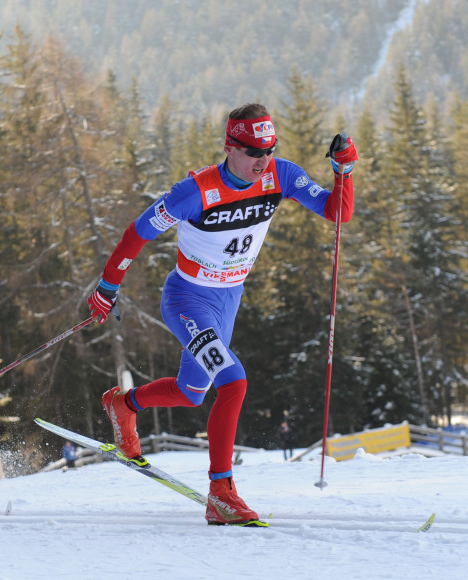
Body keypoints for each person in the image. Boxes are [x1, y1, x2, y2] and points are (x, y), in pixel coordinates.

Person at [87, 103, 357, 526]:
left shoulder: (281, 174)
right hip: (187, 301)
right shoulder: (194, 191)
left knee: (191, 392)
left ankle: (125, 405)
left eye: (269, 149)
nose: (262, 160)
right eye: (252, 151)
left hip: (227, 300)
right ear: (230, 145)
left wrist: (344, 172)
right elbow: (137, 233)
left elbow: (336, 212)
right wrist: (107, 285)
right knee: (233, 382)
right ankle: (221, 492)